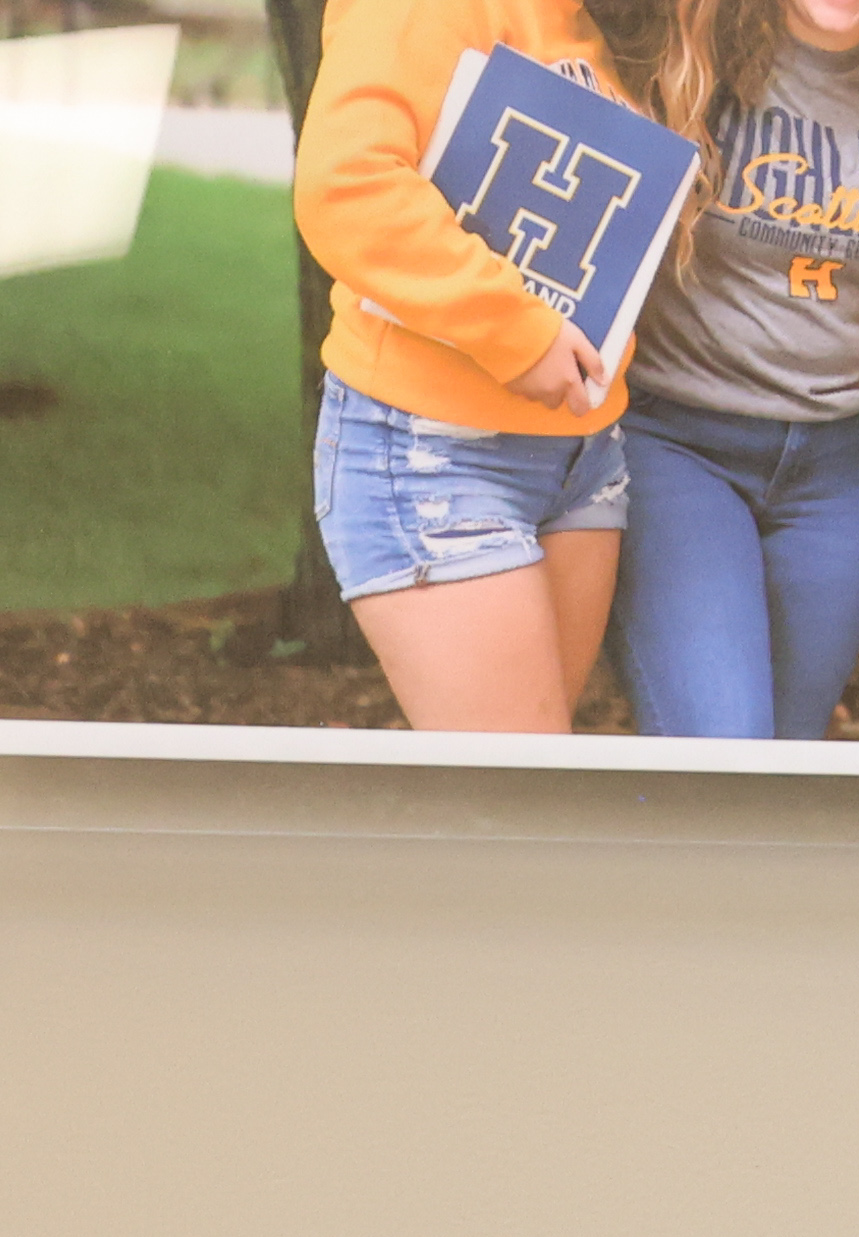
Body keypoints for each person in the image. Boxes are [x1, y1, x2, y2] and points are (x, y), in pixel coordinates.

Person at [294, 0, 644, 734]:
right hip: (430, 452)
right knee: (515, 802)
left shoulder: (597, 21)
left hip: (580, 455)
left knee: (518, 797)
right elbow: (346, 184)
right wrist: (517, 331)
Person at [606, 0, 859, 743]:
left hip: (841, 471)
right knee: (723, 751)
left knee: (788, 771)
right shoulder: (689, 42)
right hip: (678, 447)